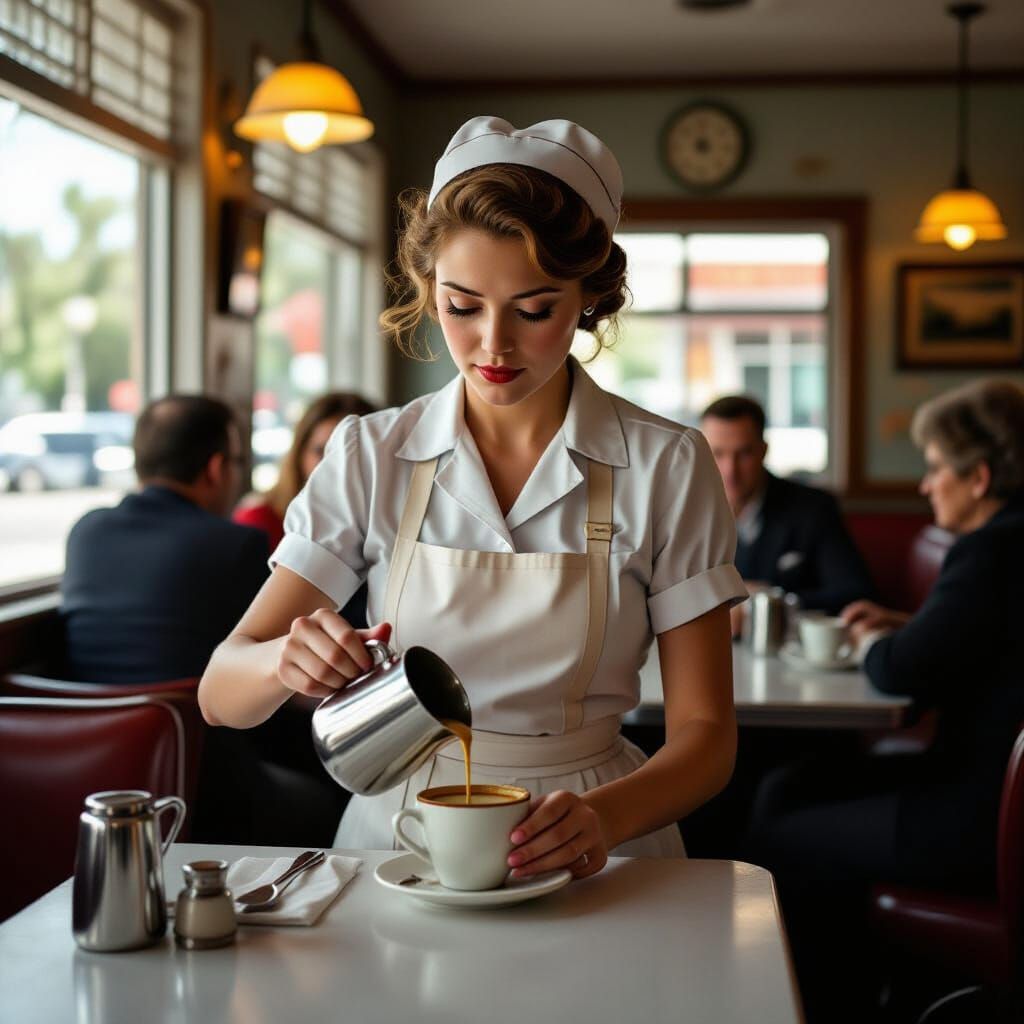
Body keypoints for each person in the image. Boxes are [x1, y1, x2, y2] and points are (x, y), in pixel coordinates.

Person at [200, 116, 746, 874]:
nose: (494, 345)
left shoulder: (666, 464)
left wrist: (606, 817)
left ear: (589, 298)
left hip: (598, 831)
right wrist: (284, 663)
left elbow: (708, 734)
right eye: (462, 307)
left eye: (534, 309)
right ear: (428, 290)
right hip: (403, 829)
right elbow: (221, 692)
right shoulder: (371, 453)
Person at [744, 378, 1024, 1023]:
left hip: (976, 821)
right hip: (976, 788)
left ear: (977, 478)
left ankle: (821, 1001)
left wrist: (873, 640)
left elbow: (902, 673)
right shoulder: (1010, 545)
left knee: (774, 832)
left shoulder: (990, 552)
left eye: (933, 469)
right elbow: (965, 644)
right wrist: (904, 623)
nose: (925, 486)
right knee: (782, 784)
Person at [61, 395, 268, 683]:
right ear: (216, 468)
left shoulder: (85, 531)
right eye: (237, 462)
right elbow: (266, 658)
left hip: (84, 721)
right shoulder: (238, 544)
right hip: (190, 723)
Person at [700, 395, 874, 634]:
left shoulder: (814, 508)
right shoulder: (683, 512)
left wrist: (769, 601)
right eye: (717, 453)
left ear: (764, 450)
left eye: (744, 453)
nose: (730, 470)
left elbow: (855, 592)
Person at [234, 392, 377, 552]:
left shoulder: (384, 526)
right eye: (320, 450)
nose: (332, 465)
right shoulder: (259, 521)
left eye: (348, 454)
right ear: (299, 454)